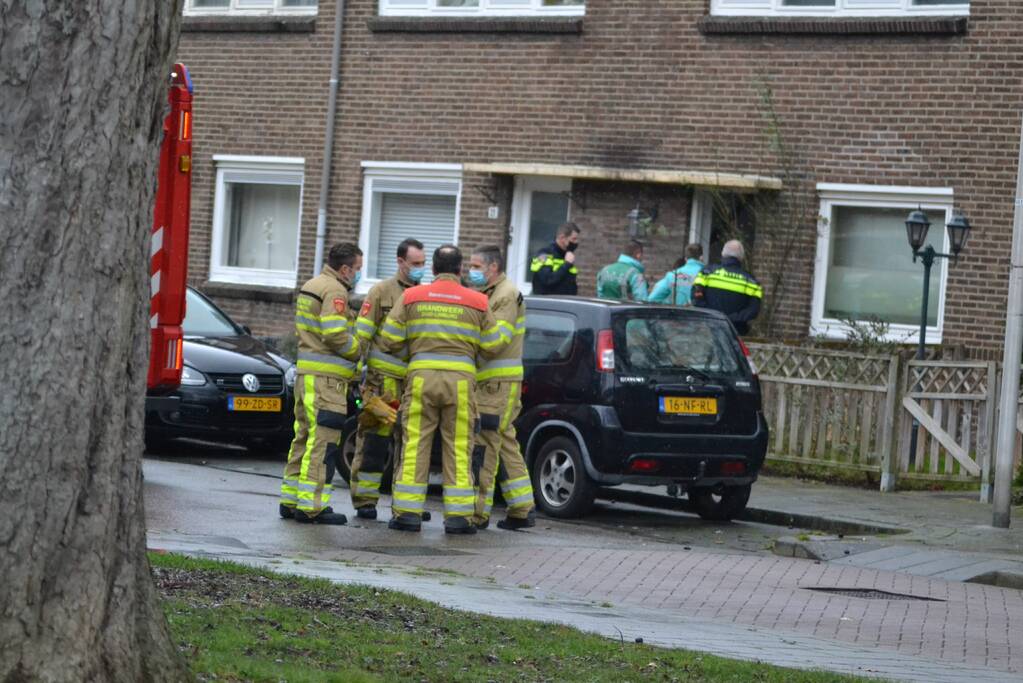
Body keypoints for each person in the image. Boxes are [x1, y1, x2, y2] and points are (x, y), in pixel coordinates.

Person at [375, 245, 510, 535]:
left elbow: (388, 339)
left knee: (415, 445)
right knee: (460, 447)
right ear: (460, 269)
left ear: (433, 269)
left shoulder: (411, 296)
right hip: (461, 383)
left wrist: (415, 343)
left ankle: (408, 514)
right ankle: (459, 518)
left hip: (421, 379)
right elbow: (495, 344)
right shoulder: (477, 301)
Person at [279, 243, 363, 525]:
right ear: (345, 268)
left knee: (303, 436)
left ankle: (291, 500)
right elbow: (335, 334)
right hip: (326, 381)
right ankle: (313, 506)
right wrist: (358, 351)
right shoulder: (335, 290)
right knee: (323, 442)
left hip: (307, 376)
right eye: (357, 269)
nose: (358, 275)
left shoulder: (312, 284)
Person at [348, 238, 427, 521]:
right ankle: (365, 501)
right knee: (374, 443)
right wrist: (357, 375)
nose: (420, 268)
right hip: (383, 384)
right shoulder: (381, 291)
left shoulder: (424, 295)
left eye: (423, 263)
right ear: (400, 261)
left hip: (412, 383)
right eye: (415, 263)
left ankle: (403, 506)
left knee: (409, 445)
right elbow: (363, 334)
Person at [467, 245, 536, 531]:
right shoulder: (492, 293)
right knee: (505, 440)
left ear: (492, 267)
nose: (471, 271)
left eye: (475, 266)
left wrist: (465, 341)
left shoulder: (506, 294)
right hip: (494, 384)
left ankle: (477, 512)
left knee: (485, 445)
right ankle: (521, 508)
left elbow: (497, 340)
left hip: (497, 385)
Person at [692, 240, 763, 335]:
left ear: (722, 253)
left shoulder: (706, 272)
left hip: (708, 327)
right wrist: (731, 318)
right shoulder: (751, 281)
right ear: (741, 258)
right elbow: (753, 310)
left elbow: (697, 297)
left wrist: (712, 315)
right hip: (735, 332)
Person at [530, 222, 580, 295]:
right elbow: (547, 280)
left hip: (565, 304)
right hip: (547, 304)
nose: (576, 242)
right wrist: (566, 264)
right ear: (562, 238)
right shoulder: (545, 254)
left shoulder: (566, 256)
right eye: (574, 239)